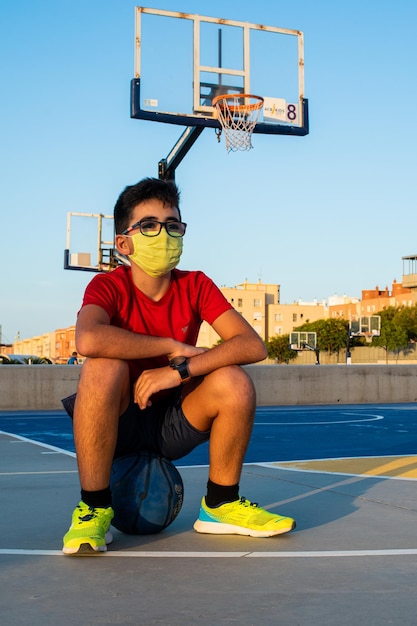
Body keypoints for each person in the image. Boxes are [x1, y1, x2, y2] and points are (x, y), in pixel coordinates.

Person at [62, 177, 295, 554]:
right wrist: (171, 345)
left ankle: (221, 504)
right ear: (124, 243)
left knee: (234, 380)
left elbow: (251, 345)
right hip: (118, 421)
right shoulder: (109, 287)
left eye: (173, 225)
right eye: (150, 226)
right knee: (102, 367)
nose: (164, 234)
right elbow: (88, 339)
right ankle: (93, 507)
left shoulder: (196, 284)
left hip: (173, 419)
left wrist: (179, 370)